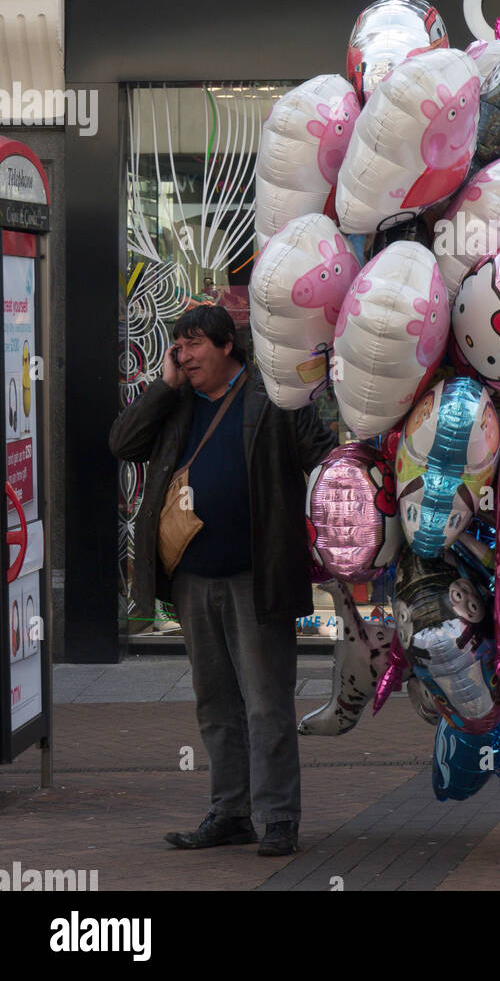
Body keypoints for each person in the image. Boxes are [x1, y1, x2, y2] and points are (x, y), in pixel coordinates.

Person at [109, 305, 335, 857]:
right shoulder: (177, 400)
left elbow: (325, 455)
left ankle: (278, 816)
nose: (182, 358)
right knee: (215, 703)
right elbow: (122, 443)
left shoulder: (273, 394)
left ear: (226, 346)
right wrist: (162, 387)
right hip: (191, 577)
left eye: (192, 347)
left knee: (265, 703)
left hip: (257, 575)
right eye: (177, 348)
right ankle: (230, 811)